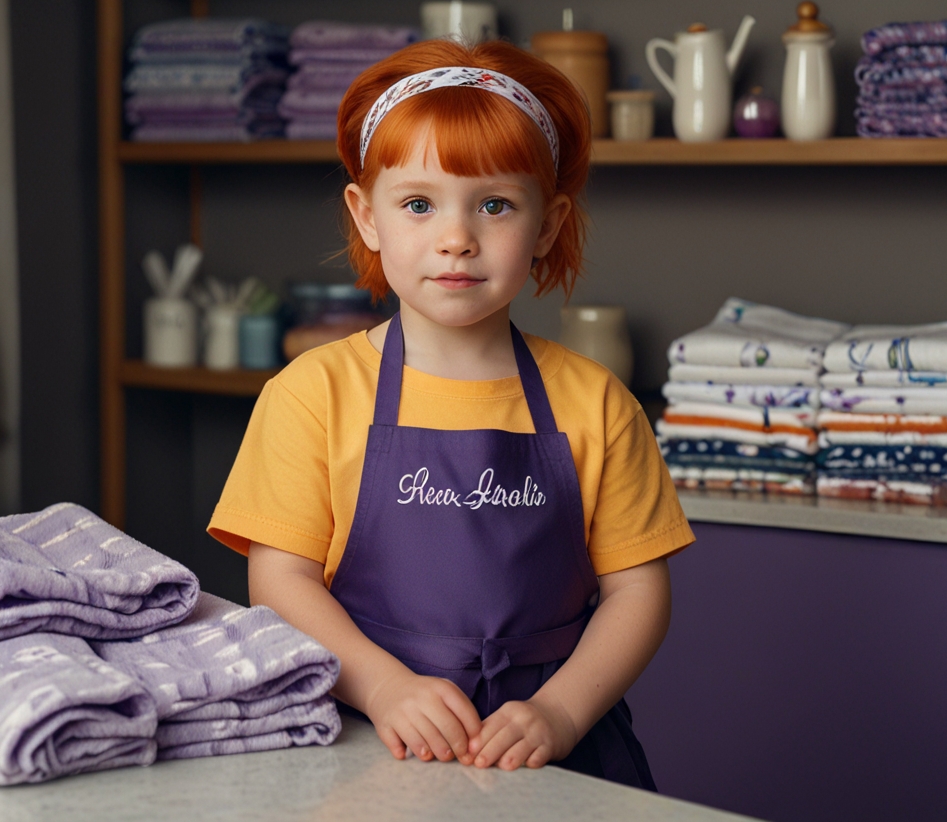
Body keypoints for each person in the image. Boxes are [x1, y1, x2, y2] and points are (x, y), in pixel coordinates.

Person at [208, 39, 694, 788]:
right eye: (418, 203)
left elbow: (638, 591)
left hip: (558, 759)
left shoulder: (597, 403)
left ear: (549, 222)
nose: (457, 237)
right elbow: (281, 581)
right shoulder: (314, 393)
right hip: (368, 745)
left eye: (495, 204)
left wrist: (561, 712)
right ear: (367, 216)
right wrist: (380, 685)